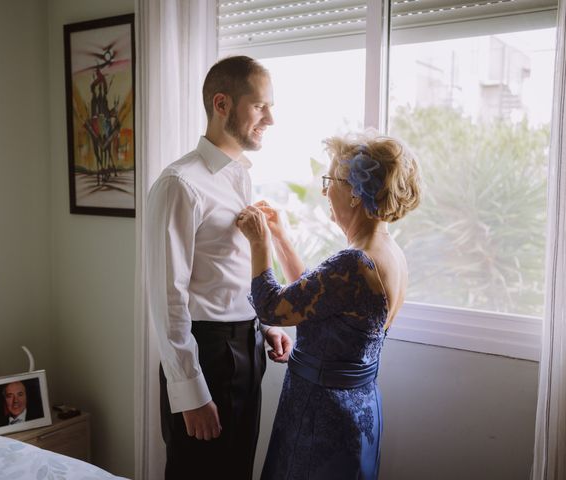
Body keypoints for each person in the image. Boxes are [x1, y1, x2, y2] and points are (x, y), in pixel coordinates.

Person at [236, 132, 422, 479]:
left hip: (322, 415)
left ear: (354, 191)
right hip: (357, 407)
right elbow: (317, 299)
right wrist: (281, 238)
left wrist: (259, 242)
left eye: (330, 180)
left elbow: (271, 307)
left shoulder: (354, 262)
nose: (324, 191)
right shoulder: (388, 253)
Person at [146, 55, 293, 480]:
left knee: (236, 471)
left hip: (247, 349)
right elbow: (166, 296)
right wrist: (188, 390)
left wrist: (266, 325)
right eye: (261, 106)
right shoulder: (179, 184)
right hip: (205, 355)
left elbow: (229, 268)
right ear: (222, 103)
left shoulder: (239, 176)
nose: (270, 118)